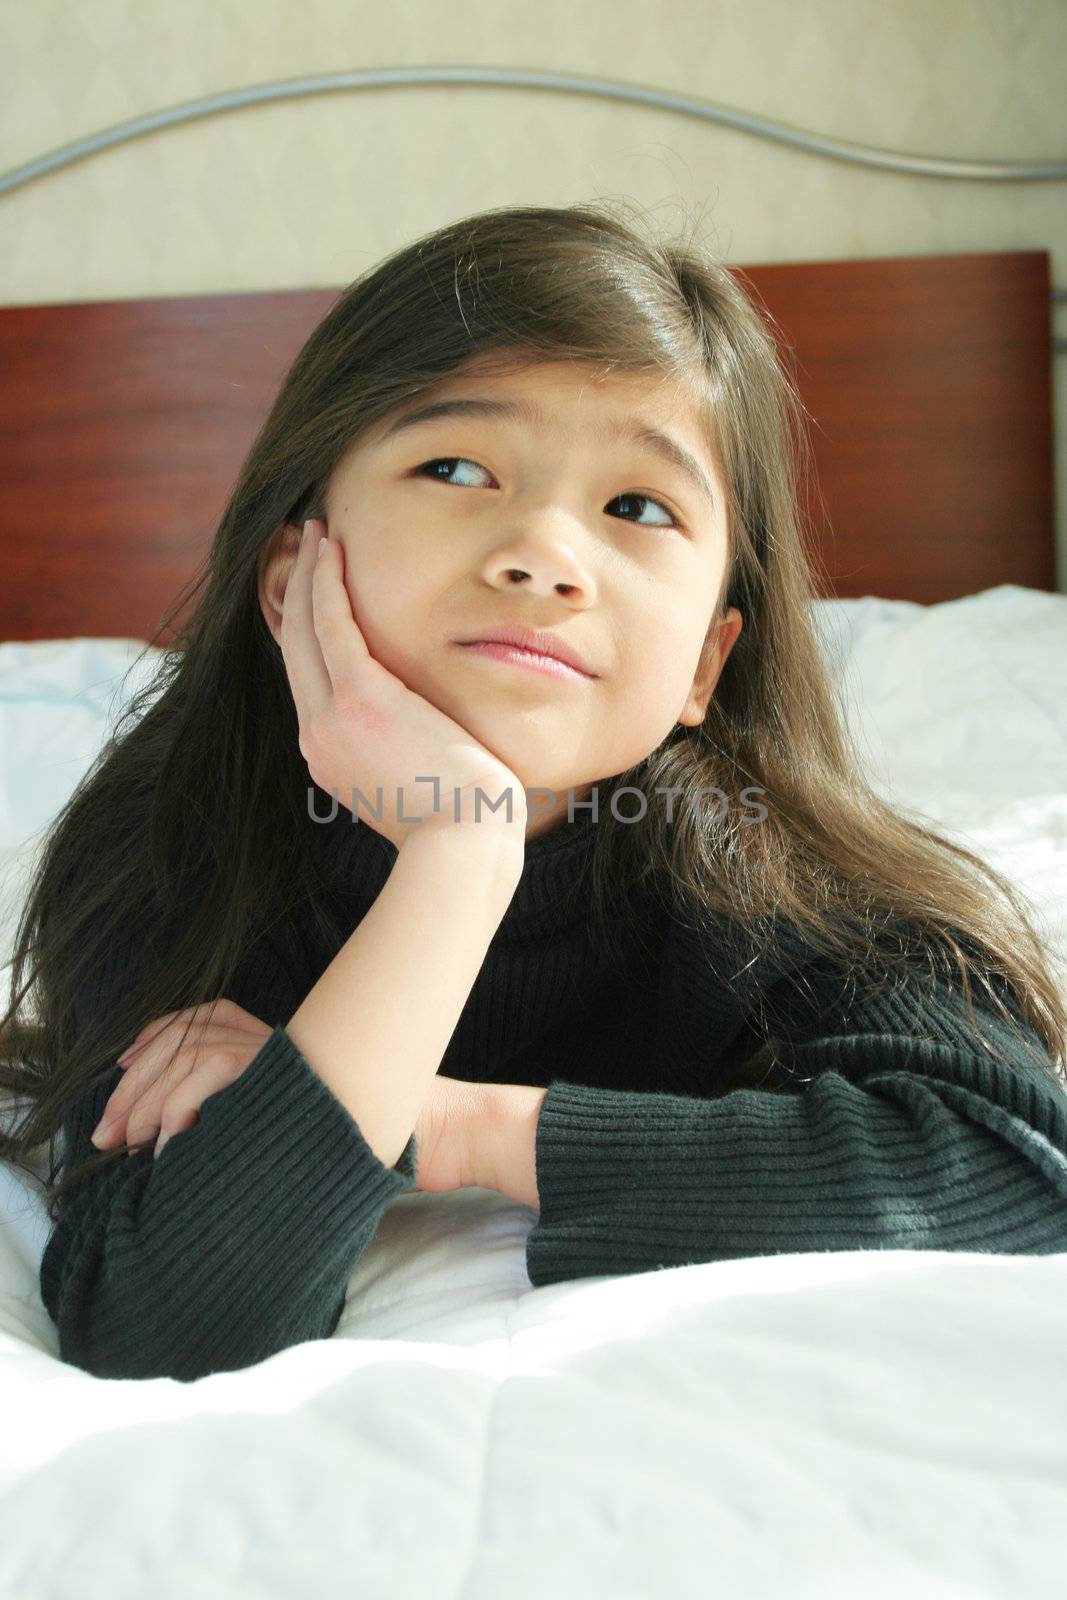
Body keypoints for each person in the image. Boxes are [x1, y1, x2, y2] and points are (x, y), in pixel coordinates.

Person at [2, 200, 1065, 1385]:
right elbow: (165, 1325)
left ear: (706, 665)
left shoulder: (759, 870)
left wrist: (453, 1124)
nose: (543, 555)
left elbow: (1011, 1169)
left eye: (636, 508)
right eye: (455, 467)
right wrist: (457, 857)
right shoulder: (168, 846)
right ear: (293, 573)